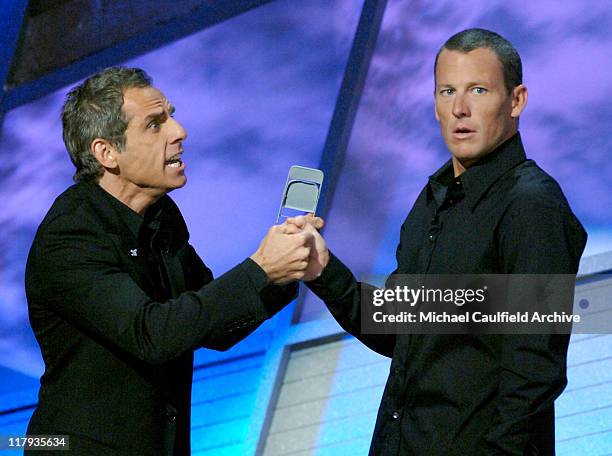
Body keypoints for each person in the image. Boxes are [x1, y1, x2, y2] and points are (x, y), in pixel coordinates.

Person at [290, 28, 587, 455]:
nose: (460, 109)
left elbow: (532, 376)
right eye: (447, 91)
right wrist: (323, 271)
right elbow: (398, 330)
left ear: (517, 100)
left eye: (478, 90)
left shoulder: (532, 206)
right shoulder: (433, 200)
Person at [25, 67, 315, 455]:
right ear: (106, 152)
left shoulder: (162, 218)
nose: (179, 131)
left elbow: (213, 325)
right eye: (155, 124)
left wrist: (285, 270)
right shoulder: (71, 234)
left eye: (171, 116)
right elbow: (153, 334)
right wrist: (261, 268)